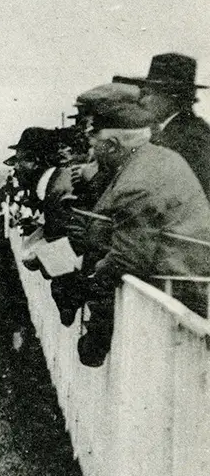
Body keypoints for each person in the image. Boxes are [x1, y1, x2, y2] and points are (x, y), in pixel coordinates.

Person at [54, 92, 210, 367]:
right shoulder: (152, 159)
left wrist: (85, 284)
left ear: (112, 145)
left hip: (179, 293)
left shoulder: (135, 182)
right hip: (182, 281)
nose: (91, 150)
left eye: (95, 142)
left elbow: (127, 258)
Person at [114, 52, 210, 201]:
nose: (143, 101)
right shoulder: (183, 129)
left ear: (170, 97)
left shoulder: (191, 138)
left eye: (148, 94)